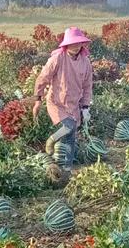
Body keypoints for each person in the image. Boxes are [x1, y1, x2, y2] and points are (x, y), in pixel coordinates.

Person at [32, 26, 94, 183]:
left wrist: (85, 107)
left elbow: (87, 86)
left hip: (73, 105)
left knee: (70, 139)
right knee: (69, 127)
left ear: (82, 43)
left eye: (78, 43)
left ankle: (65, 169)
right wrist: (38, 99)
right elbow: (42, 78)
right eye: (72, 43)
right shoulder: (57, 59)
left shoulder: (85, 62)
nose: (76, 46)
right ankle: (51, 140)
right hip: (56, 102)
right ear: (66, 44)